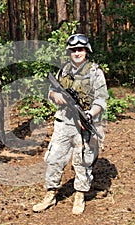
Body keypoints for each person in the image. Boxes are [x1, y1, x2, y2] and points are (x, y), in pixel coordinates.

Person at [33, 34, 109, 214]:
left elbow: (101, 99)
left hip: (86, 121)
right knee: (54, 158)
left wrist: (89, 115)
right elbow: (51, 90)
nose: (77, 53)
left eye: (80, 49)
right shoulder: (63, 71)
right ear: (70, 52)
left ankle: (80, 196)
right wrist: (55, 96)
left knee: (83, 160)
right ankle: (50, 195)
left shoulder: (95, 72)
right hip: (64, 122)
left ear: (86, 50)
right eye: (74, 50)